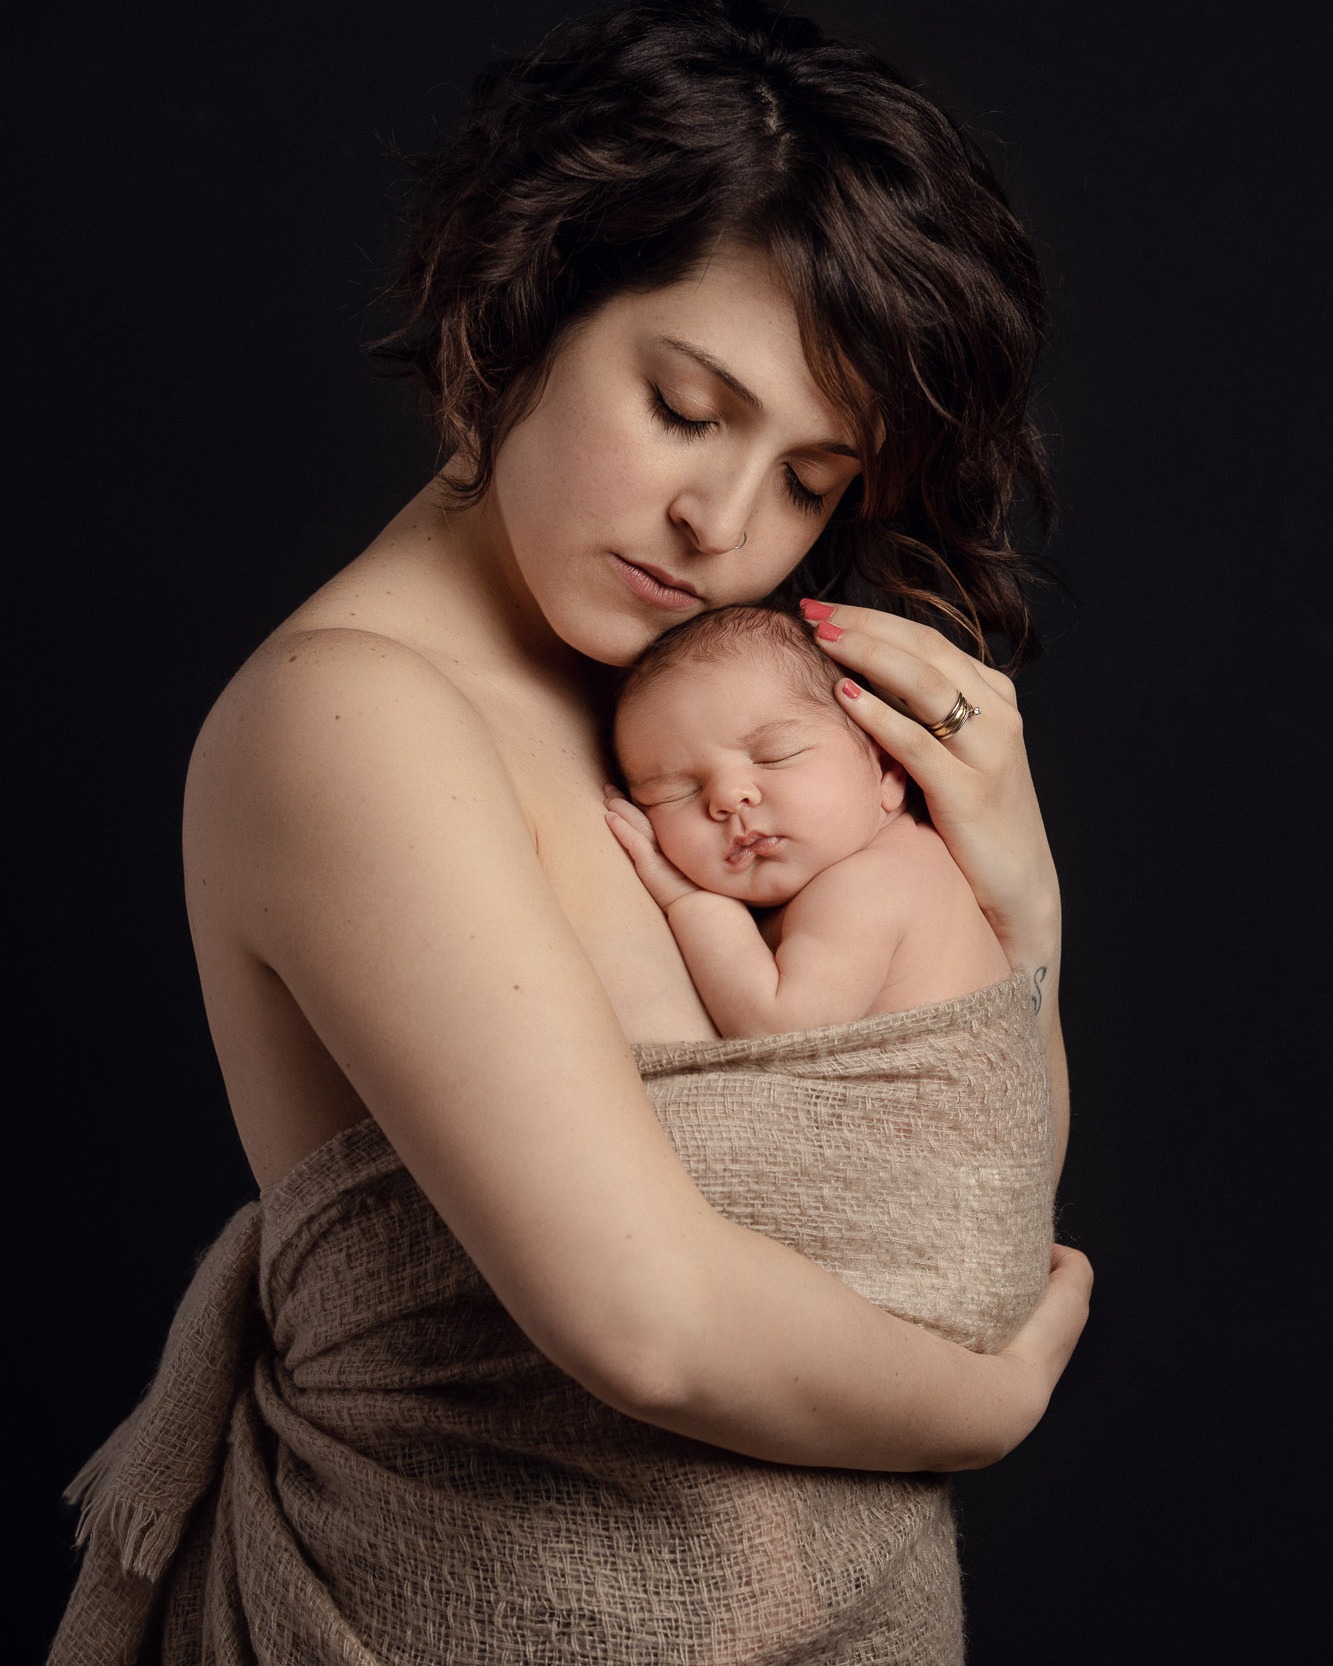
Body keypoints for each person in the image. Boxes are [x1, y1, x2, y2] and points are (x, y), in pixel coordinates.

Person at [50, 3, 1091, 1661]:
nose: (725, 524)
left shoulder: (688, 710)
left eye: (810, 477)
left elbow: (946, 1178)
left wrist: (1017, 896)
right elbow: (650, 1321)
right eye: (685, 407)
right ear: (515, 313)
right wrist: (979, 1410)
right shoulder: (354, 715)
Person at [606, 603, 1013, 1035]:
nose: (727, 798)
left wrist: (689, 901)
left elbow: (777, 1025)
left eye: (774, 756)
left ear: (888, 771)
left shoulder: (869, 884)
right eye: (676, 791)